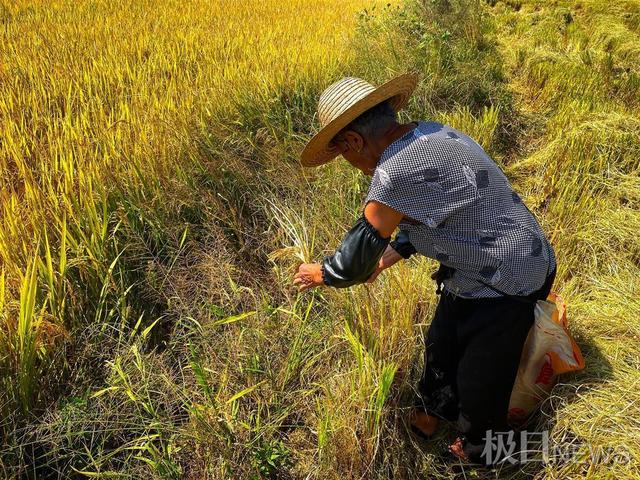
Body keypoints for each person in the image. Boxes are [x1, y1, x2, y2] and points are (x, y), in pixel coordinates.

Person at [293, 74, 557, 466]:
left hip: (511, 274)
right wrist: (383, 261)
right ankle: (434, 413)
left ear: (352, 141)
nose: (351, 165)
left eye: (344, 155)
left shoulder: (394, 171)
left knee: (481, 379)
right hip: (479, 264)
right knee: (442, 341)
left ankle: (483, 453)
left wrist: (321, 272)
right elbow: (432, 218)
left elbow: (351, 262)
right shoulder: (430, 134)